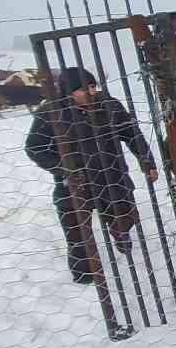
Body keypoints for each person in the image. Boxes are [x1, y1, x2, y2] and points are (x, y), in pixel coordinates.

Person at [25, 67, 159, 284]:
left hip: (112, 175)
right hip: (75, 182)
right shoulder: (51, 112)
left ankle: (120, 233)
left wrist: (147, 162)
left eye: (93, 86)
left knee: (125, 216)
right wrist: (63, 167)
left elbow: (131, 133)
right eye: (81, 89)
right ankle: (85, 276)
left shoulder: (110, 105)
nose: (90, 93)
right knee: (76, 231)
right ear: (68, 93)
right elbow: (34, 147)